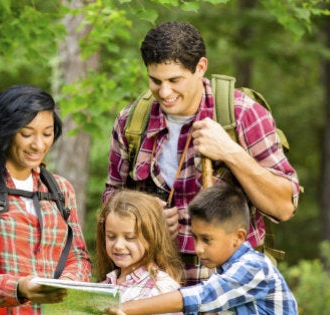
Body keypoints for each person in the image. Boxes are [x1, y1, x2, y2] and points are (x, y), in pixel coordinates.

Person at [103, 21, 301, 285]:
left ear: (201, 67)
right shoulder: (132, 121)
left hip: (228, 286)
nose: (165, 92)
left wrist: (231, 153)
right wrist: (145, 217)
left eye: (175, 80)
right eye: (155, 80)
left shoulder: (242, 114)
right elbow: (111, 199)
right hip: (155, 286)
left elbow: (284, 206)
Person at [0, 85, 92, 315]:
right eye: (26, 134)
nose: (39, 144)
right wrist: (20, 288)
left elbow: (79, 258)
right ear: (5, 132)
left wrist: (67, 284)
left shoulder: (61, 189)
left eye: (47, 133)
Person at [105, 183, 298, 315]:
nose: (198, 248)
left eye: (207, 240)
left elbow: (200, 296)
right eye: (196, 238)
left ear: (238, 237)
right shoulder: (224, 272)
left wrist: (120, 308)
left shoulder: (254, 267)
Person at [96, 189, 183, 313]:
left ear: (151, 237)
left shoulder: (163, 289)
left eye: (129, 237)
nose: (118, 245)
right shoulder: (103, 286)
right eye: (111, 236)